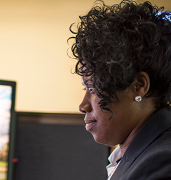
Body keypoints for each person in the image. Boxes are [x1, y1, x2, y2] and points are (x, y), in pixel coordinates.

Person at [69, 0, 171, 179]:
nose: (83, 106)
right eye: (85, 88)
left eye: (92, 88)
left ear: (138, 86)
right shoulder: (134, 153)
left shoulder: (161, 162)